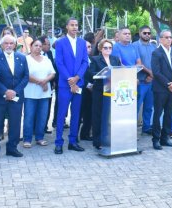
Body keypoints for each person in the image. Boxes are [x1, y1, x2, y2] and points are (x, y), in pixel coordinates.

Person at [0, 34, 29, 159]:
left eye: (11, 43)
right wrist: (5, 92)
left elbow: (26, 76)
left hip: (16, 97)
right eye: (6, 43)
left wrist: (15, 92)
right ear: (1, 45)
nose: (9, 46)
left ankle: (12, 148)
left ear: (15, 45)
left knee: (15, 123)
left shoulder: (22, 58)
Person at [53, 18, 89, 154]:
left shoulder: (82, 43)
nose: (74, 27)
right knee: (61, 114)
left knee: (76, 114)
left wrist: (77, 78)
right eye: (72, 25)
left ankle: (73, 142)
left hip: (78, 83)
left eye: (76, 25)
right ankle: (58, 143)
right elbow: (59, 63)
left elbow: (85, 62)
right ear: (67, 26)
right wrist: (70, 80)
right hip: (65, 84)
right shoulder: (60, 42)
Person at [86, 39, 121, 150]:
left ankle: (112, 138)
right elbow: (91, 73)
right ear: (100, 49)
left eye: (110, 48)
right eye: (105, 47)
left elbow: (120, 71)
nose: (108, 49)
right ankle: (98, 141)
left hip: (113, 91)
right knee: (99, 115)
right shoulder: (95, 59)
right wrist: (106, 73)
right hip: (100, 90)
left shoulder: (115, 59)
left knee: (111, 115)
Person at [22, 39, 56, 148]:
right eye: (36, 45)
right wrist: (41, 82)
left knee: (42, 116)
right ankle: (27, 139)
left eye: (40, 46)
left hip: (44, 93)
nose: (38, 48)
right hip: (30, 93)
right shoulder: (26, 59)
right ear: (31, 47)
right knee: (29, 116)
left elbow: (52, 73)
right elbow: (25, 74)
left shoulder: (46, 59)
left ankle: (39, 138)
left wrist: (45, 81)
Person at [151, 30, 172, 150]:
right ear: (160, 39)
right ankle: (156, 140)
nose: (169, 39)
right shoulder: (156, 53)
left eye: (170, 37)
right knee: (158, 114)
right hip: (160, 89)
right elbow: (156, 72)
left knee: (169, 113)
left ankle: (165, 138)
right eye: (166, 37)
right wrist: (168, 83)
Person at [132, 26, 156, 136]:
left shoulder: (154, 46)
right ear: (140, 33)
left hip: (152, 81)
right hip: (140, 80)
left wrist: (152, 75)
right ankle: (132, 129)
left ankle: (146, 127)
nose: (147, 35)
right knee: (136, 106)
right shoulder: (134, 46)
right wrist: (150, 73)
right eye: (145, 33)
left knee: (148, 106)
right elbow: (138, 64)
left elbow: (156, 62)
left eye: (149, 33)